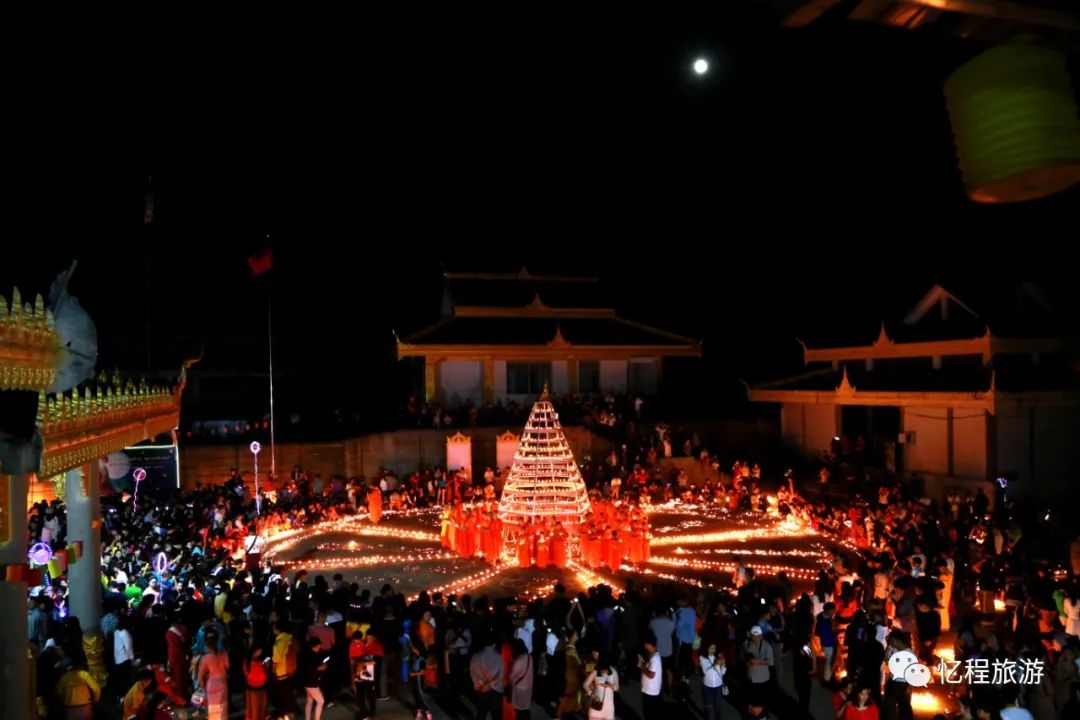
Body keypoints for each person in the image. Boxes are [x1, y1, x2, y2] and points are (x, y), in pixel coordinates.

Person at [197, 629, 230, 720]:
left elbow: (201, 676)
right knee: (223, 710)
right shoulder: (224, 654)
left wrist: (202, 686)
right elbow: (227, 667)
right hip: (223, 684)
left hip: (211, 685)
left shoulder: (205, 658)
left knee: (213, 711)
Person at [470, 637, 504, 720]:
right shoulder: (499, 657)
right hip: (495, 691)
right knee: (497, 715)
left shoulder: (475, 657)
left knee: (481, 714)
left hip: (481, 689)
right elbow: (501, 676)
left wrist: (479, 683)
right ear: (494, 645)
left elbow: (473, 675)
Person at [299, 637, 328, 720]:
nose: (320, 646)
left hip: (305, 681)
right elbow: (316, 668)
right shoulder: (314, 655)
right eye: (319, 644)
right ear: (316, 645)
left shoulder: (305, 654)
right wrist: (323, 667)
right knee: (321, 701)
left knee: (309, 700)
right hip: (312, 682)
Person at [584, 652, 618, 720]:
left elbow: (617, 687)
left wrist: (612, 686)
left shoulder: (614, 672)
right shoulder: (595, 672)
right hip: (597, 705)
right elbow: (585, 684)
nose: (603, 672)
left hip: (609, 708)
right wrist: (592, 695)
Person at [638, 633, 663, 720]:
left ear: (649, 644)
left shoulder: (655, 658)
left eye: (645, 643)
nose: (644, 645)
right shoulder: (653, 655)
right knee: (649, 713)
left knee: (649, 714)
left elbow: (651, 674)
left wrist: (641, 667)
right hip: (648, 689)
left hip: (650, 691)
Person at [508, 638, 534, 720]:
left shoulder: (518, 662)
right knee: (526, 707)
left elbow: (511, 677)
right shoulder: (529, 657)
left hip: (520, 689)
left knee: (519, 709)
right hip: (529, 686)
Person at [699, 643, 726, 720]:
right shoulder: (702, 658)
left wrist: (723, 665)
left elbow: (722, 673)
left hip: (718, 685)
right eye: (711, 648)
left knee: (718, 706)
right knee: (708, 706)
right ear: (706, 648)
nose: (713, 650)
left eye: (714, 648)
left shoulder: (717, 657)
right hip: (707, 685)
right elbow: (706, 672)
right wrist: (716, 664)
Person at [243, 645, 270, 720]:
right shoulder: (259, 663)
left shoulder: (247, 662)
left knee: (253, 710)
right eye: (258, 651)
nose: (259, 653)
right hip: (259, 689)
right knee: (258, 710)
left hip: (252, 688)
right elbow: (264, 675)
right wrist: (266, 666)